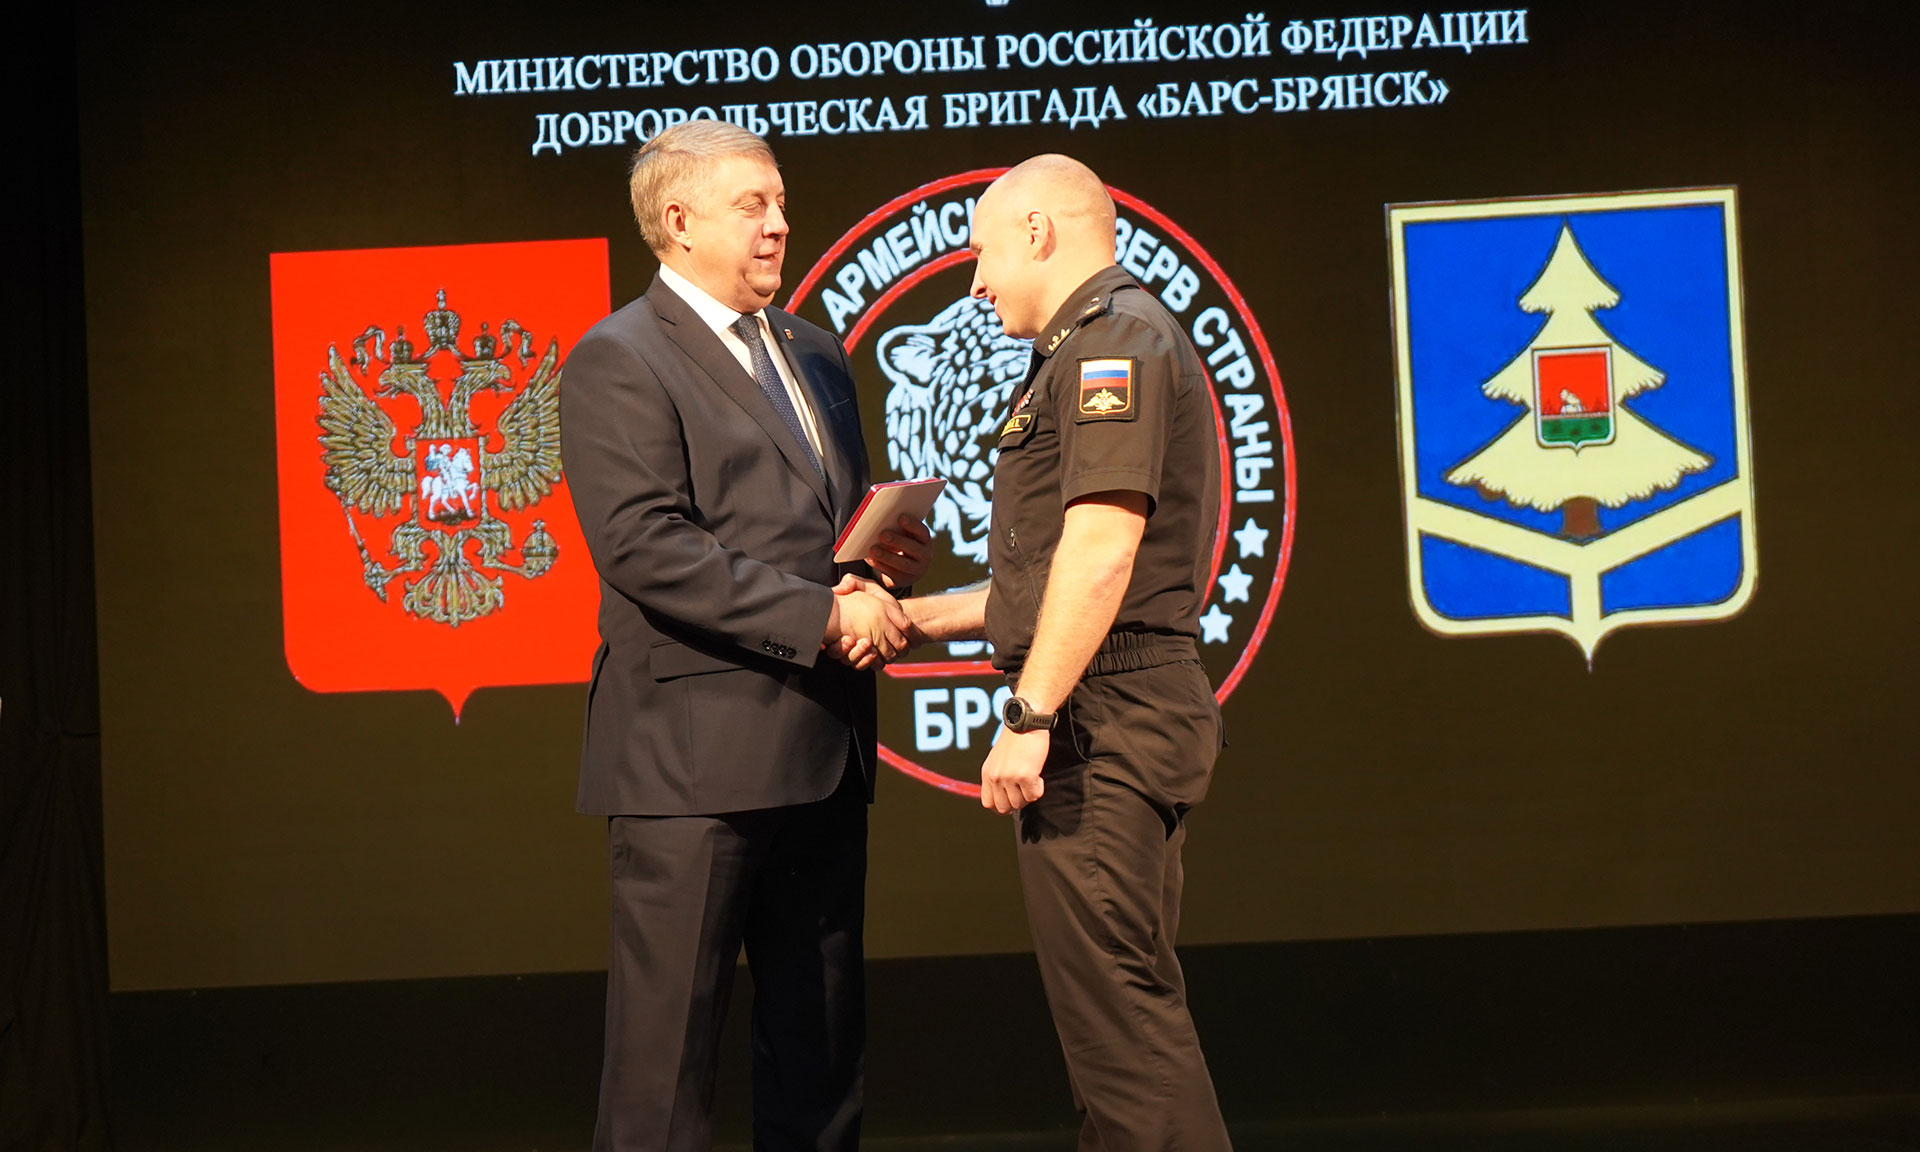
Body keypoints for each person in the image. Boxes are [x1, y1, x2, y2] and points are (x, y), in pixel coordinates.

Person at [560, 119, 931, 1152]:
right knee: (663, 1082)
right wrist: (824, 613)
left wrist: (873, 564)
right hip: (693, 772)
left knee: (820, 1068)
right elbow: (646, 547)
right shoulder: (618, 358)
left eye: (780, 203)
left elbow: (823, 527)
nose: (778, 225)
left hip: (823, 750)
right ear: (678, 222)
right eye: (752, 205)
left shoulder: (813, 350)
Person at [899, 154, 1231, 1151]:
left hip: (1103, 716)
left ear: (1039, 231)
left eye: (984, 252)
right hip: (1116, 707)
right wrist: (903, 621)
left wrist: (1031, 713)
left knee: (1127, 1041)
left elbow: (1101, 549)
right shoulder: (1090, 345)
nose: (976, 281)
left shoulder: (1111, 344)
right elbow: (1041, 585)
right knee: (1111, 1042)